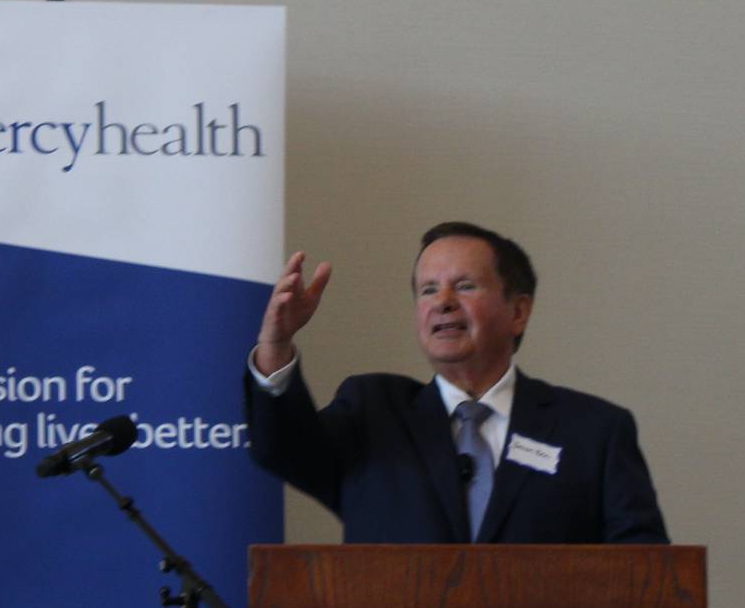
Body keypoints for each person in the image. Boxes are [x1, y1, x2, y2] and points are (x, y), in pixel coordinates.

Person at [245, 221, 668, 544]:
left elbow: (647, 579)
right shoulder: (372, 414)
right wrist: (275, 344)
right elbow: (283, 449)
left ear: (518, 312)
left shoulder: (594, 432)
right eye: (428, 290)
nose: (443, 302)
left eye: (464, 286)